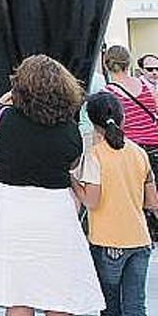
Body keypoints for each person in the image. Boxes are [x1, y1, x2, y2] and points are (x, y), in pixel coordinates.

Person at [0, 55, 104, 316]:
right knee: (59, 294)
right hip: (54, 212)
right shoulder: (70, 131)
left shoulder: (4, 119)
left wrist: (15, 95)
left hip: (10, 210)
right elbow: (72, 166)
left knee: (17, 295)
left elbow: (4, 104)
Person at [72, 92, 158, 316]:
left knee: (110, 308)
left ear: (92, 121)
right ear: (123, 118)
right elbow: (152, 202)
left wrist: (72, 180)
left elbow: (92, 200)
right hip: (140, 240)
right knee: (136, 306)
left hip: (107, 242)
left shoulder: (94, 156)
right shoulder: (139, 153)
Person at [103, 46, 158, 153]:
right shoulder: (146, 86)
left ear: (106, 65)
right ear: (129, 63)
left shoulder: (107, 93)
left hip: (133, 150)